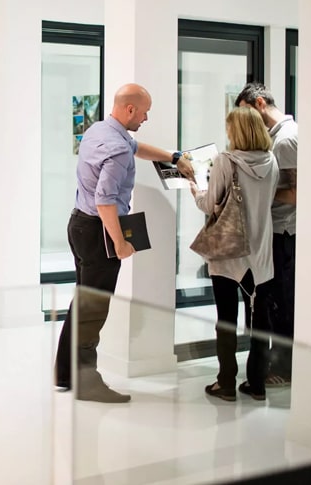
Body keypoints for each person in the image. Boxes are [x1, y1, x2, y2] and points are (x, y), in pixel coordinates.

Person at [54, 83, 195, 403]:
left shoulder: (99, 131)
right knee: (94, 308)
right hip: (100, 230)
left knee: (84, 302)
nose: (146, 117)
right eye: (144, 112)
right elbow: (105, 200)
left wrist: (174, 156)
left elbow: (137, 147)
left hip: (79, 224)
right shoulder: (116, 147)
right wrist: (119, 242)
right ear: (130, 109)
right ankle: (87, 383)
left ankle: (66, 373)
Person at [190, 106, 278, 402]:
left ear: (235, 131)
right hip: (262, 254)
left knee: (226, 319)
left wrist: (195, 188)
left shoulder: (225, 161)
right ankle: (257, 384)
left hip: (229, 255)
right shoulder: (272, 161)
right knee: (260, 322)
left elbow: (208, 205)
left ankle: (226, 383)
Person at [235, 83, 298, 388]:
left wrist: (260, 193)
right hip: (275, 230)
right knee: (273, 301)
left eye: (246, 113)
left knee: (281, 303)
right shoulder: (276, 139)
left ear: (259, 103)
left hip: (283, 231)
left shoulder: (285, 141)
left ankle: (284, 369)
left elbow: (297, 194)